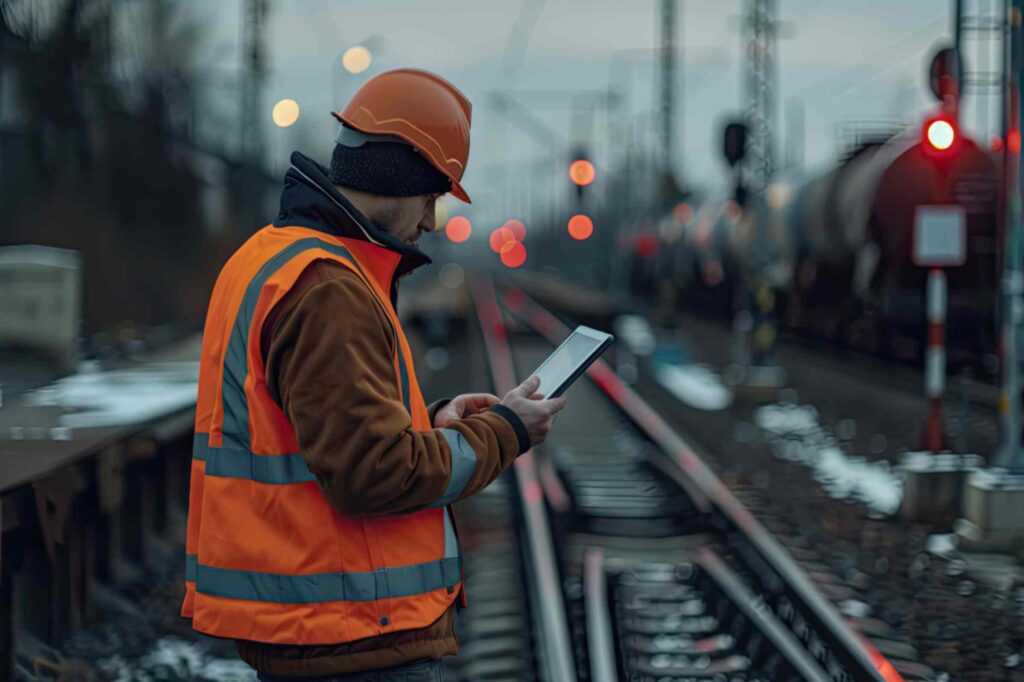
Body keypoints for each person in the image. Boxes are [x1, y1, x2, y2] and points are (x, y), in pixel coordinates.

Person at [181, 68, 566, 680]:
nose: (433, 222)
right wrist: (506, 432)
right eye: (433, 196)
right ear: (401, 176)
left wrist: (431, 421)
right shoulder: (328, 288)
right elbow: (373, 473)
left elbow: (314, 431)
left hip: (317, 621)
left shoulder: (272, 257)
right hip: (348, 631)